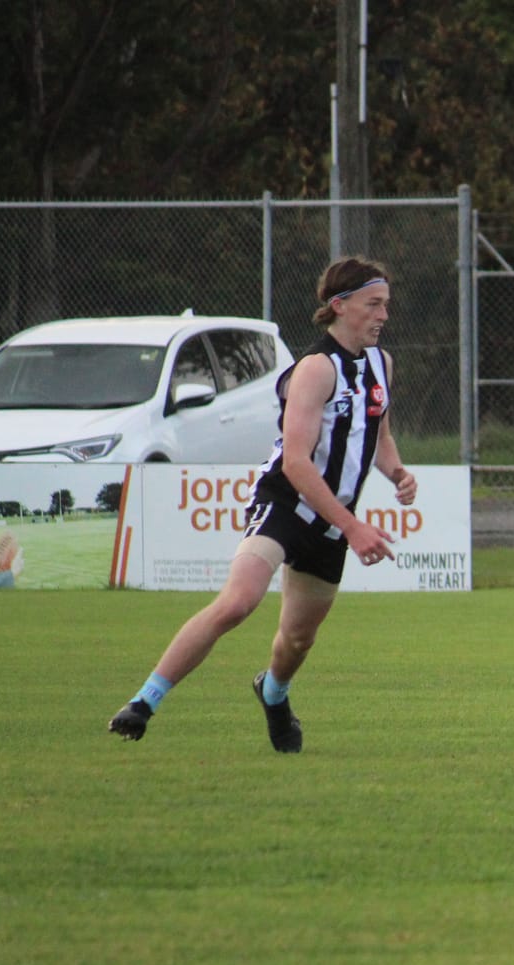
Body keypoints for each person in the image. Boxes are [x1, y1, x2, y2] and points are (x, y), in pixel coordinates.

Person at [108, 256, 417, 750]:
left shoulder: (382, 364)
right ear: (340, 306)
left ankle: (273, 693)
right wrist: (354, 527)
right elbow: (296, 463)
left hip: (330, 523)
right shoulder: (315, 370)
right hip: (286, 502)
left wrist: (397, 471)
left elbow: (379, 433)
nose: (383, 315)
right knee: (238, 602)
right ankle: (143, 702)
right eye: (373, 304)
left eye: (386, 305)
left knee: (297, 641)